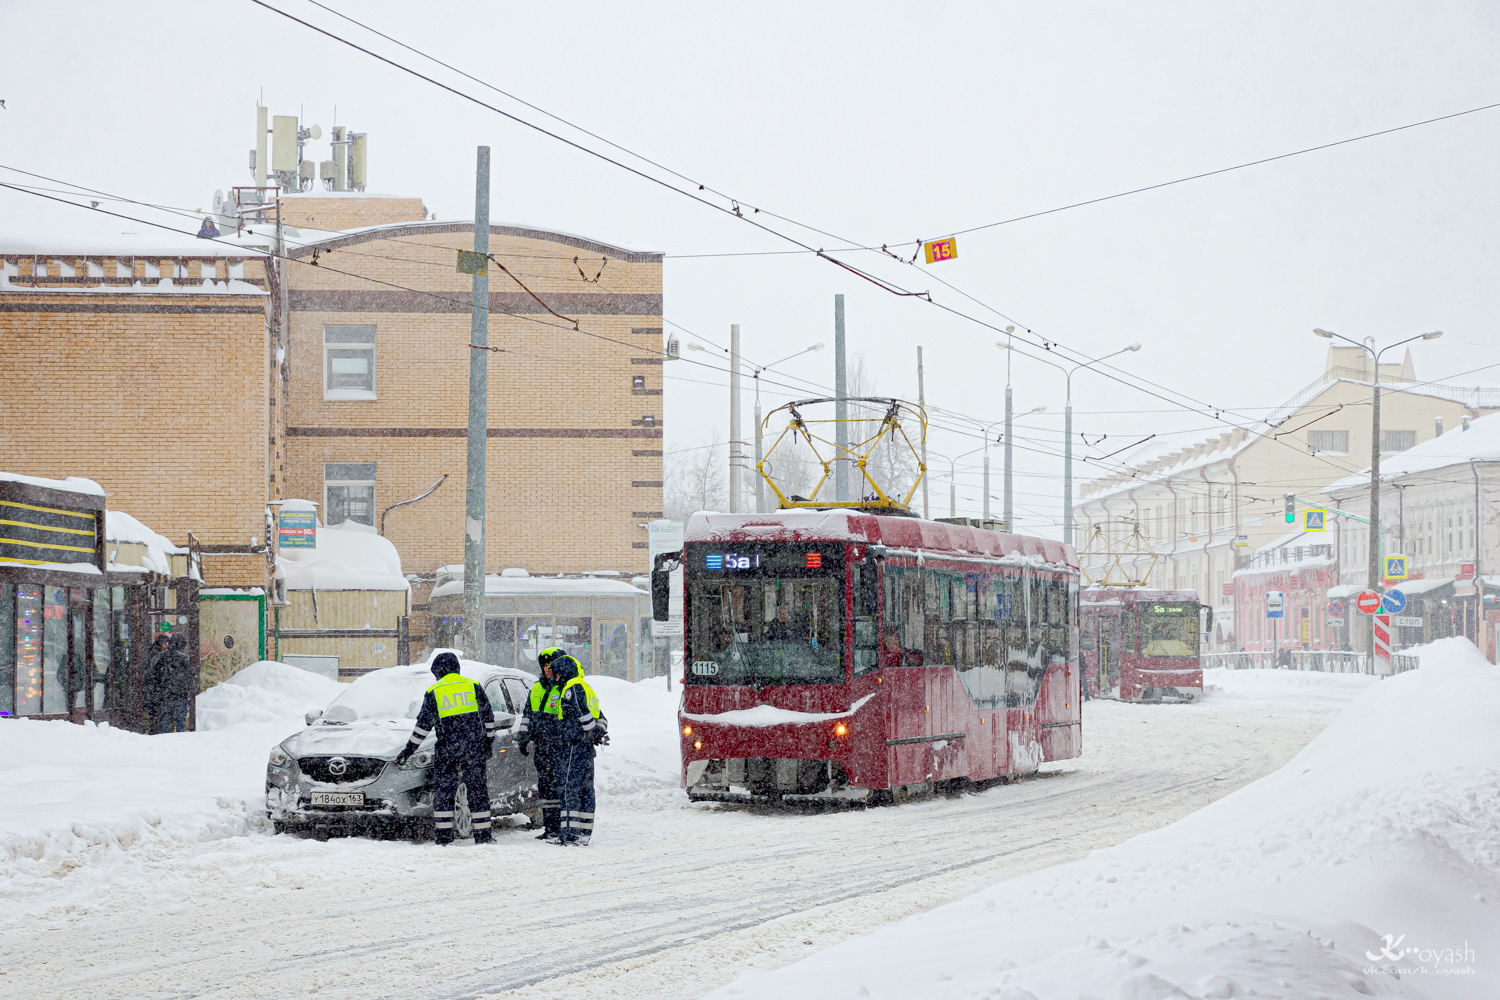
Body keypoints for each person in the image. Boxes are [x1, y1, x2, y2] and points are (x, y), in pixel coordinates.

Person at [395, 652, 499, 845]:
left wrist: (408, 751)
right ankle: (483, 837)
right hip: (474, 749)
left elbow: (422, 728)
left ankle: (444, 838)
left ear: (438, 671)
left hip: (447, 749)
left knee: (444, 792)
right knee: (477, 791)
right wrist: (488, 742)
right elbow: (488, 718)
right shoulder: (473, 686)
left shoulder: (434, 691)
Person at [540, 649, 608, 846]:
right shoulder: (588, 688)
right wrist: (596, 733)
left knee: (569, 787)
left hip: (573, 746)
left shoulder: (572, 686)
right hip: (586, 748)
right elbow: (602, 719)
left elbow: (581, 712)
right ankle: (585, 832)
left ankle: (569, 834)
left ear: (565, 672)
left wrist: (588, 731)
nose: (557, 678)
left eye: (558, 673)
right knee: (586, 790)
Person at [515, 656, 563, 843]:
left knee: (559, 787)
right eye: (544, 666)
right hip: (542, 746)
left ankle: (561, 827)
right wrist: (523, 737)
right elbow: (527, 716)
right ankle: (550, 827)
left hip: (559, 747)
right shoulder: (536, 687)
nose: (547, 669)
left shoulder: (564, 688)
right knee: (545, 787)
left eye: (551, 665)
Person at [157, 634, 195, 733]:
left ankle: (163, 739)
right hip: (181, 693)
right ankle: (180, 740)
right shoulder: (184, 658)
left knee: (165, 719)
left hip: (167, 693)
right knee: (180, 720)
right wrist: (188, 688)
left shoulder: (164, 656)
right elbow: (190, 675)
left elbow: (156, 673)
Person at [144, 633, 171, 733]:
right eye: (164, 644)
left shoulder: (154, 652)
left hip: (154, 687)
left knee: (154, 710)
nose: (166, 646)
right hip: (154, 687)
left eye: (167, 644)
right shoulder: (157, 654)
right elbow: (152, 669)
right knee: (155, 710)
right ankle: (154, 729)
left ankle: (154, 728)